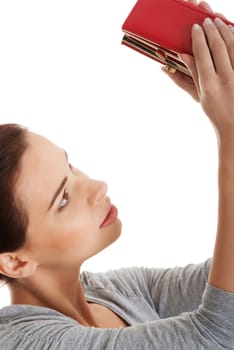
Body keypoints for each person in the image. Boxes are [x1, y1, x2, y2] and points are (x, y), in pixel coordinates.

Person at [0, 0, 234, 348]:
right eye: (63, 199)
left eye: (70, 166)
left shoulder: (115, 291)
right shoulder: (26, 342)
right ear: (16, 261)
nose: (96, 186)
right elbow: (217, 334)